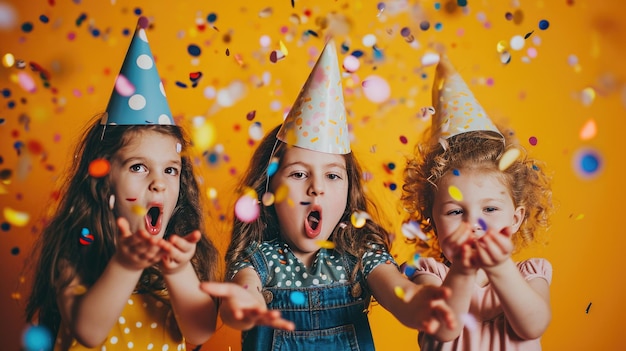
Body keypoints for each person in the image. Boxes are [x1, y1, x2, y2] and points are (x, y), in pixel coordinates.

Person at [201, 40, 456, 351]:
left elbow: (399, 292)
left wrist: (422, 303)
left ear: (349, 191)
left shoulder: (362, 253)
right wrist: (241, 305)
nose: (316, 187)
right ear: (268, 189)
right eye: (298, 174)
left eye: (333, 175)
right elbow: (245, 291)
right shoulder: (258, 258)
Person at [24, 17, 220, 350]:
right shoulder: (75, 247)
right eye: (139, 167)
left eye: (171, 170)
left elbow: (200, 331)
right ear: (102, 179)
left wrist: (177, 270)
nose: (159, 183)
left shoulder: (185, 255)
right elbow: (88, 331)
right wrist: (126, 265)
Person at [401, 54, 554, 351]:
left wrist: (500, 268)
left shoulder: (531, 273)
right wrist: (462, 270)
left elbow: (533, 325)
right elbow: (445, 329)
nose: (474, 224)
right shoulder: (429, 275)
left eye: (490, 209)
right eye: (456, 211)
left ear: (516, 218)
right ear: (432, 220)